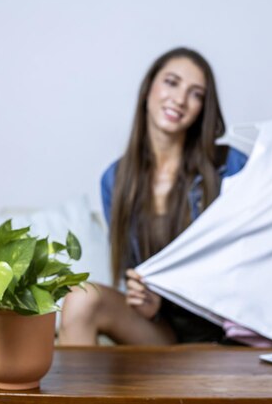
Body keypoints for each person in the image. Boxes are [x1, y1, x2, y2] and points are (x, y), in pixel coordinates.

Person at [58, 47, 248, 345]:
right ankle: (75, 393)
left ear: (203, 108)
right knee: (80, 298)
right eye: (171, 82)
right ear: (149, 89)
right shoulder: (116, 179)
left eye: (196, 93)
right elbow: (134, 271)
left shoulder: (229, 165)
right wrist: (147, 302)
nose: (180, 99)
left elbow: (248, 263)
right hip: (161, 331)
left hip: (221, 331)